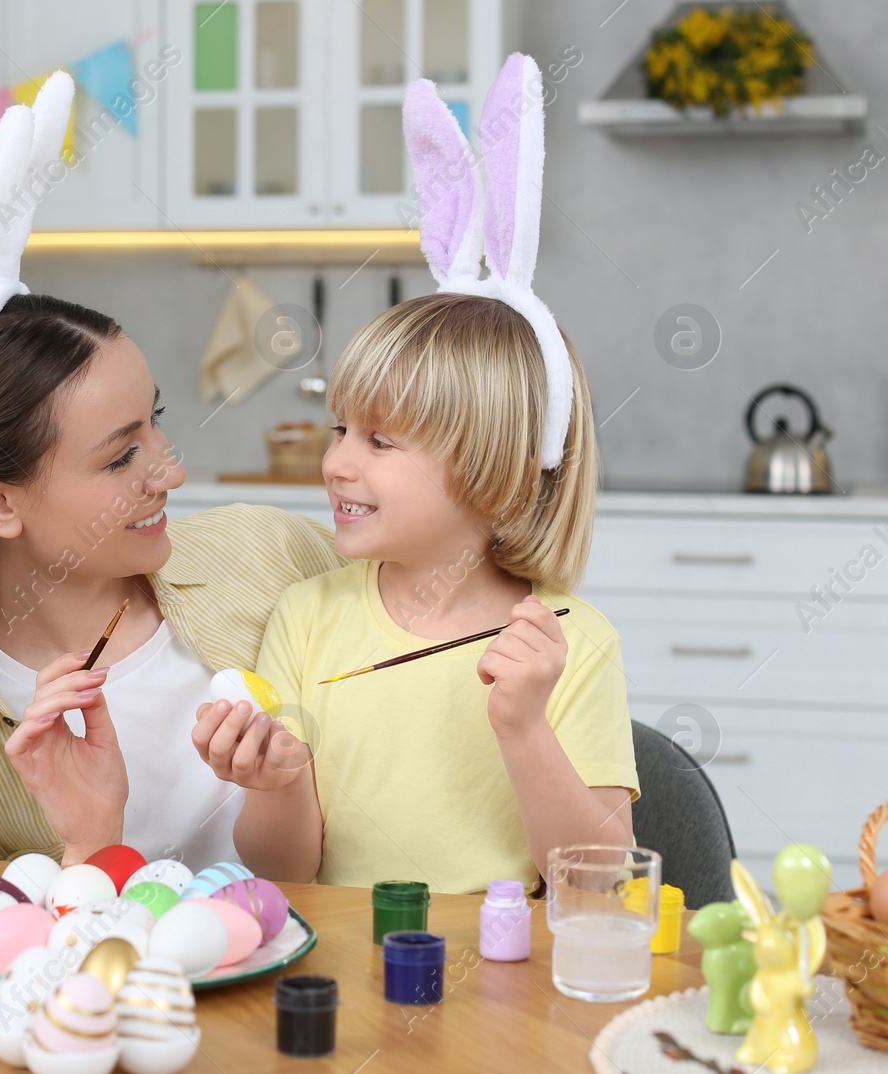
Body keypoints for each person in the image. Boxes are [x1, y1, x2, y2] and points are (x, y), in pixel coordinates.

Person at [0, 74, 343, 866]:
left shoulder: (271, 555)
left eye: (157, 425)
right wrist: (89, 845)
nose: (168, 472)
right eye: (120, 457)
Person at [191, 55, 639, 893]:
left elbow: (601, 882)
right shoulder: (308, 616)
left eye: (382, 442)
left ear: (497, 472)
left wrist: (522, 724)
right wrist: (278, 781)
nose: (336, 462)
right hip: (344, 974)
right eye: (340, 430)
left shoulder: (571, 642)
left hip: (503, 990)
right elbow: (287, 870)